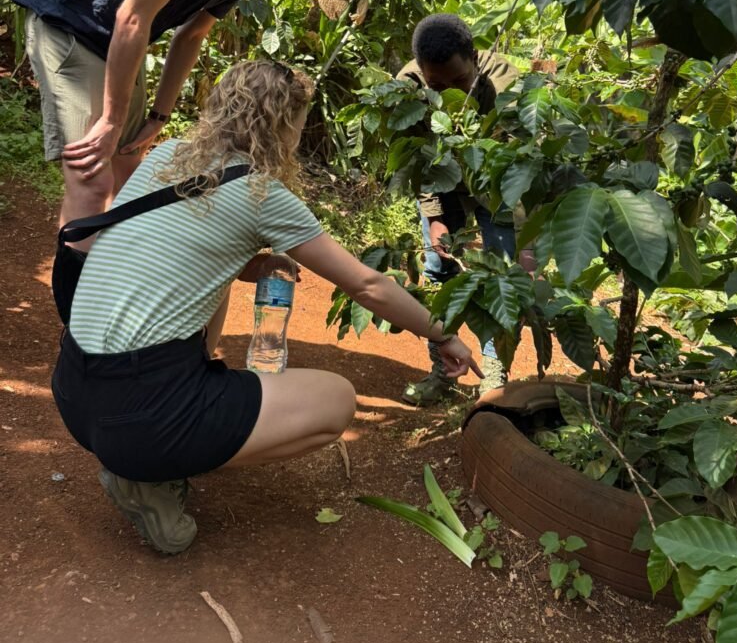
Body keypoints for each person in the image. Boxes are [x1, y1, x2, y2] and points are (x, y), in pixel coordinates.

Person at [51, 60, 482, 555]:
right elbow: (367, 286)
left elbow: (161, 249)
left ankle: (155, 449)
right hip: (144, 418)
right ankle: (152, 477)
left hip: (75, 392)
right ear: (286, 124)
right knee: (336, 401)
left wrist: (246, 267)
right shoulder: (261, 193)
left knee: (216, 295)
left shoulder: (165, 156)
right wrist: (442, 334)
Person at [13, 0, 349, 234]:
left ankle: (123, 284)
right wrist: (111, 120)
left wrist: (158, 116)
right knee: (93, 176)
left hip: (118, 40)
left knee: (129, 176)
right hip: (71, 21)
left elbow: (193, 35)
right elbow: (133, 15)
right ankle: (81, 290)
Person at [397, 13, 525, 406]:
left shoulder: (506, 84)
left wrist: (527, 240)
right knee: (437, 270)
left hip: (497, 188)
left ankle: (493, 372)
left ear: (474, 57)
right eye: (439, 86)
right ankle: (444, 368)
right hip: (442, 182)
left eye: (460, 82)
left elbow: (520, 166)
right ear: (422, 71)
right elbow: (417, 162)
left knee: (502, 278)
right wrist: (435, 217)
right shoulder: (408, 89)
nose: (452, 92)